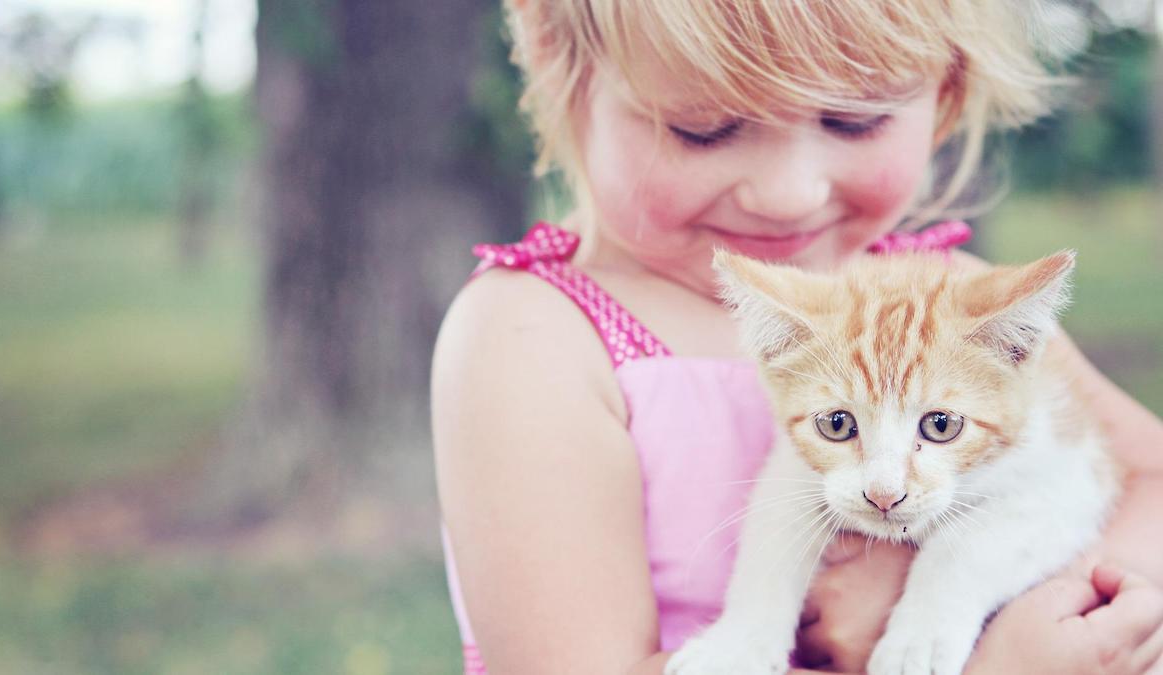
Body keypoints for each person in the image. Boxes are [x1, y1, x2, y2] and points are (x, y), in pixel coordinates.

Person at [431, 1, 1163, 673]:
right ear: (560, 60)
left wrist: (1038, 604)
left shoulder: (954, 300)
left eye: (854, 121)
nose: (788, 192)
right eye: (703, 129)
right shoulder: (532, 337)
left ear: (945, 90)